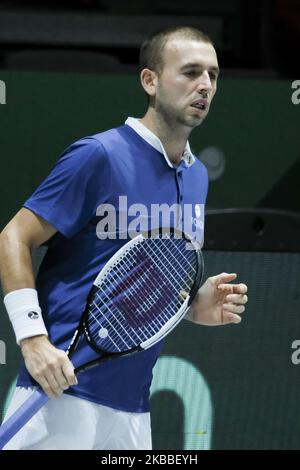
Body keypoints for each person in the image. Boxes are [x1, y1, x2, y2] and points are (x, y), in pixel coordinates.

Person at [0, 26, 248, 450]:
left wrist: (191, 303)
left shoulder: (196, 178)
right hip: (61, 395)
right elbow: (13, 236)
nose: (205, 85)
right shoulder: (99, 155)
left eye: (213, 74)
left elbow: (144, 274)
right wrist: (33, 339)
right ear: (149, 81)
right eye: (190, 72)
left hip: (133, 408)